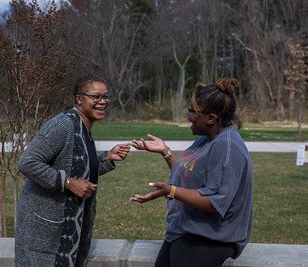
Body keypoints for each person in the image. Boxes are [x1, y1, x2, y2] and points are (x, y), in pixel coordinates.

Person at [130, 78, 253, 267]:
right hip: (186, 231)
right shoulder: (207, 139)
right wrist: (165, 151)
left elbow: (215, 201)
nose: (188, 115)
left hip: (209, 240)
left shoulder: (227, 149)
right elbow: (190, 174)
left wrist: (171, 191)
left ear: (211, 119)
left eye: (192, 111)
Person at [15, 74, 130, 267]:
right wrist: (67, 183)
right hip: (44, 232)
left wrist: (107, 158)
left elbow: (78, 169)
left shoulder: (83, 126)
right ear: (79, 99)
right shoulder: (63, 125)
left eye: (106, 96)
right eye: (96, 97)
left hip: (65, 231)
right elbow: (27, 162)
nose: (102, 102)